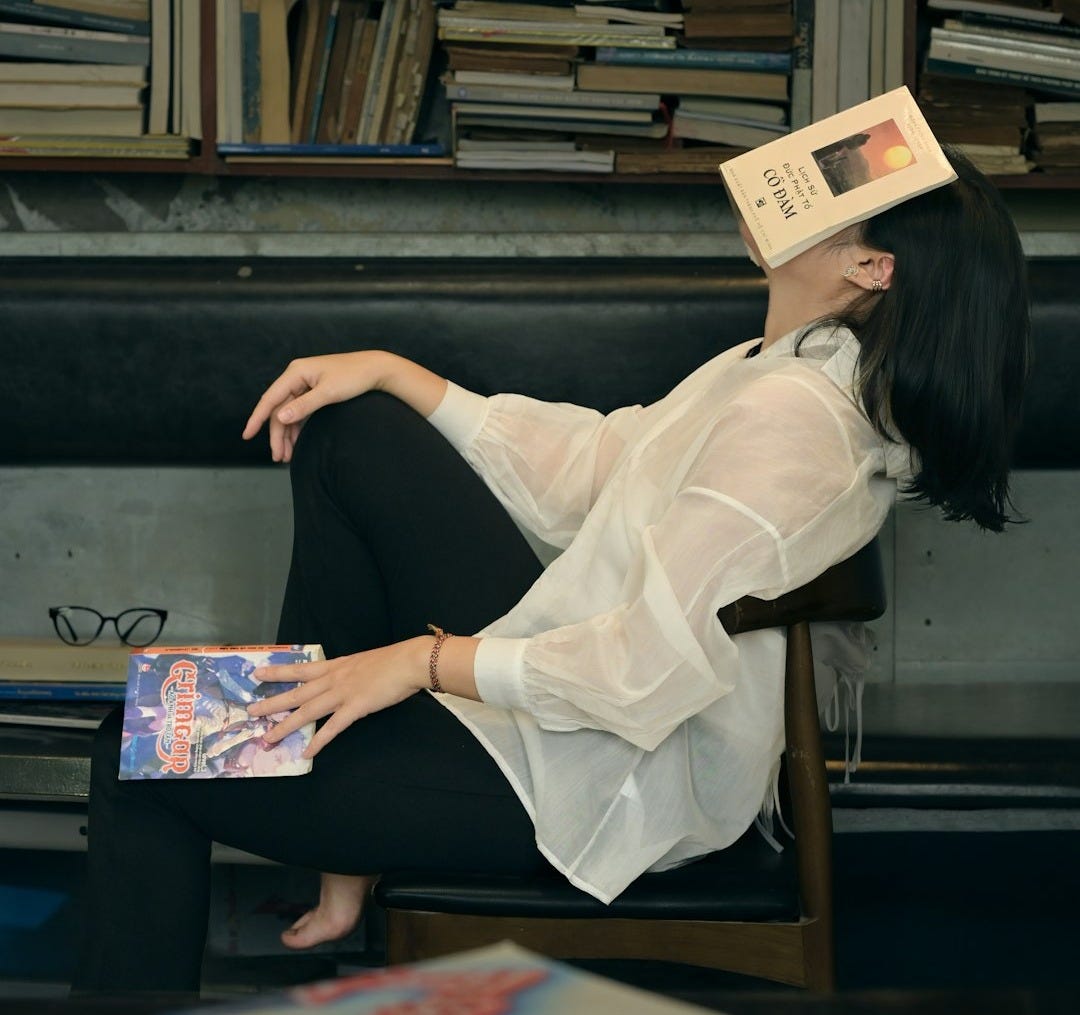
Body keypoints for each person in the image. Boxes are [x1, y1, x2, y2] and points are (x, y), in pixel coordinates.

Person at [73, 149, 1029, 995]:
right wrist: (399, 372)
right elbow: (598, 465)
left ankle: (326, 790)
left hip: (600, 771)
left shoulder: (794, 419)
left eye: (836, 193)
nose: (797, 187)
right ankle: (337, 815)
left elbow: (641, 671)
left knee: (141, 747)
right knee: (353, 426)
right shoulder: (774, 368)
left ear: (870, 265)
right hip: (564, 710)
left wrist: (422, 660)